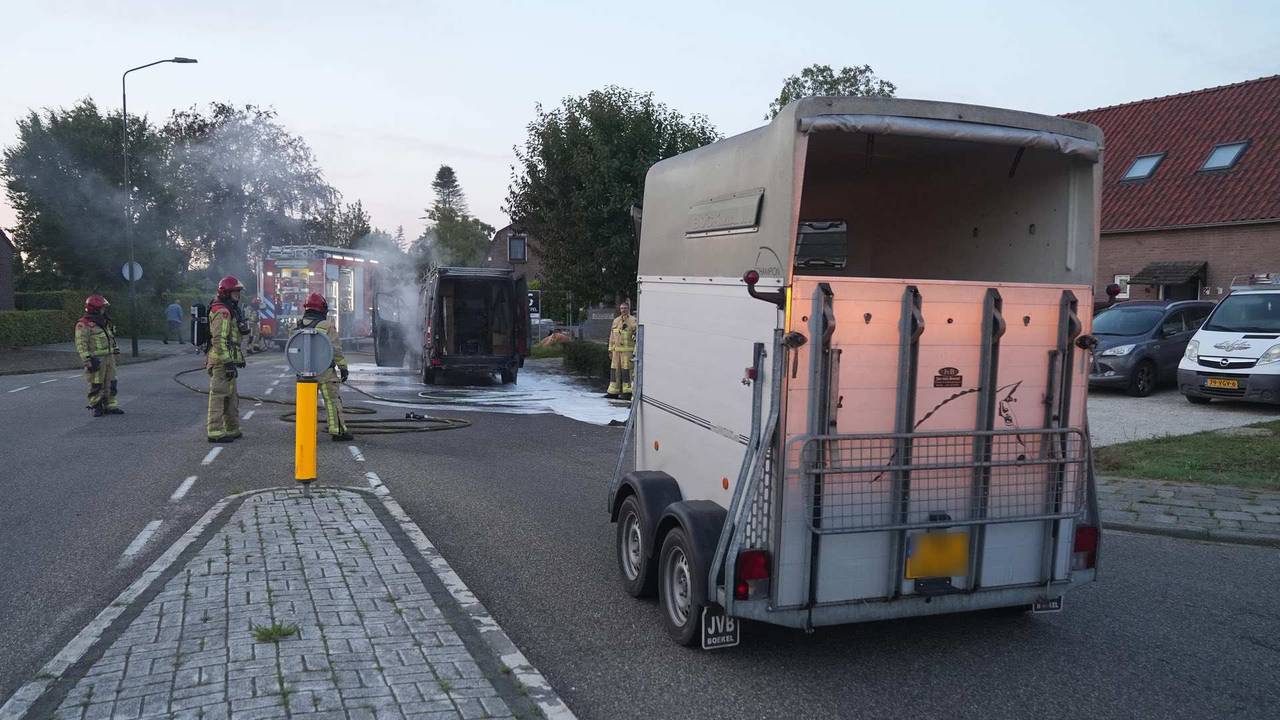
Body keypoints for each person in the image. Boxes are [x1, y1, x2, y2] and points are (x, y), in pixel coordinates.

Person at [297, 292, 354, 441]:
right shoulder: (327, 325)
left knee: (308, 403)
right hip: (325, 370)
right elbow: (335, 349)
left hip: (304, 372)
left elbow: (295, 351)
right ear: (322, 309)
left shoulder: (297, 325)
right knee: (332, 400)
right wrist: (343, 367)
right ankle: (337, 430)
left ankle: (307, 432)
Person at [206, 276, 246, 443]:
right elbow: (219, 340)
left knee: (231, 397)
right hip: (221, 362)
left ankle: (232, 428)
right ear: (227, 293)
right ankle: (214, 431)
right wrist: (228, 362)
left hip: (227, 360)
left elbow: (233, 339)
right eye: (236, 292)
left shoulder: (229, 309)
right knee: (219, 395)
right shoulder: (222, 312)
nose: (238, 295)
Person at [75, 294, 123, 416]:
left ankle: (111, 405)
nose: (104, 310)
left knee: (111, 382)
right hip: (96, 359)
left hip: (109, 357)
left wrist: (115, 350)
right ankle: (96, 406)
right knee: (96, 384)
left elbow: (111, 337)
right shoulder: (84, 324)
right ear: (95, 309)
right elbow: (81, 343)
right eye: (102, 307)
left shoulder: (104, 321)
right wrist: (87, 359)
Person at [606, 301, 637, 400]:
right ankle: (613, 392)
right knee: (615, 371)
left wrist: (635, 351)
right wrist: (610, 349)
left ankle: (627, 392)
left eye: (625, 308)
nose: (623, 310)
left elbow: (636, 336)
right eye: (622, 308)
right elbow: (612, 336)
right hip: (616, 352)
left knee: (626, 371)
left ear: (628, 309)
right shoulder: (616, 321)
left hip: (627, 352)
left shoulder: (633, 320)